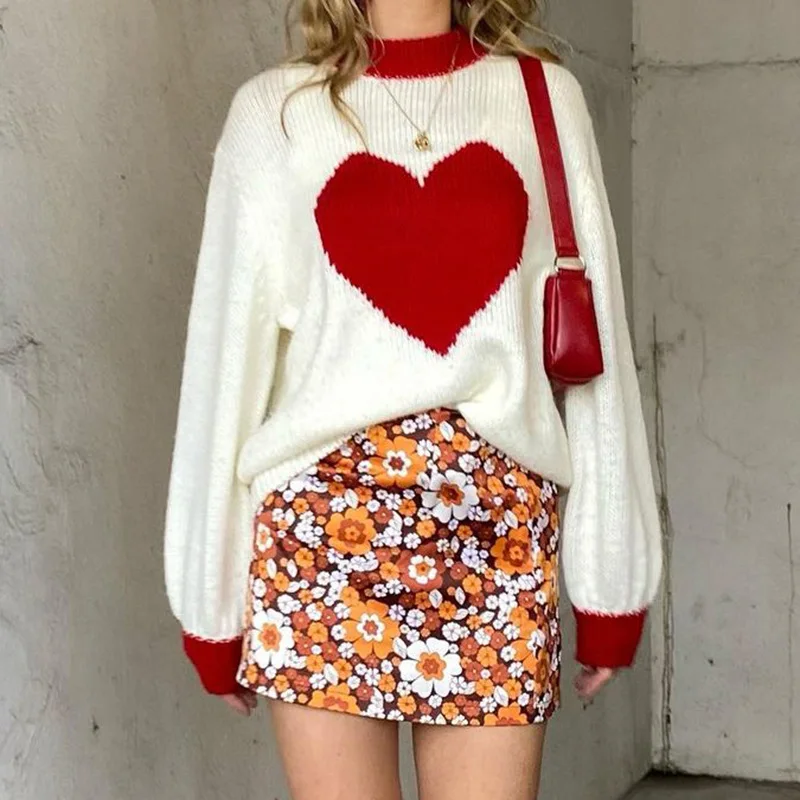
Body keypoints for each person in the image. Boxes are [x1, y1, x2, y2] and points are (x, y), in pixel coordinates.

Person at [163, 0, 662, 797]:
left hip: (496, 533)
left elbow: (596, 345)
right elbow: (226, 354)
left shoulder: (543, 97)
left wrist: (611, 584)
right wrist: (209, 600)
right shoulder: (273, 113)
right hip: (322, 534)